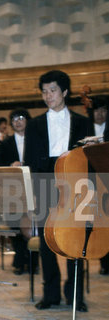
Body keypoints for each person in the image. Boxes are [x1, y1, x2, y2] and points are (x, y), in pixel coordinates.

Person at [24, 70, 90, 312]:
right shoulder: (34, 124)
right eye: (44, 91)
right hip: (44, 183)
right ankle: (49, 294)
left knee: (76, 241)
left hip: (74, 186)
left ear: (64, 92)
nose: (47, 95)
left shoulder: (83, 122)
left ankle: (75, 295)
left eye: (52, 90)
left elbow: (88, 161)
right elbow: (29, 161)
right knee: (46, 242)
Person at [0, 108, 38, 275]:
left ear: (27, 120)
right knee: (15, 224)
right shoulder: (6, 143)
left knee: (34, 226)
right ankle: (19, 260)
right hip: (12, 190)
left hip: (33, 187)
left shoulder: (36, 140)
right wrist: (10, 166)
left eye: (21, 118)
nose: (18, 121)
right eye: (14, 119)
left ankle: (33, 262)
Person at [86, 96, 109, 274]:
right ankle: (104, 261)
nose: (100, 114)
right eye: (96, 110)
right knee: (99, 222)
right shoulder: (85, 128)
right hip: (93, 181)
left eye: (103, 110)